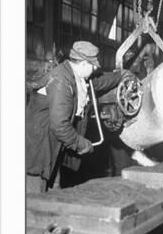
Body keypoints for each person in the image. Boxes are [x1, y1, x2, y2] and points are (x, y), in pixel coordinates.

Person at [26, 41, 125, 192]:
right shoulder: (62, 81)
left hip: (53, 145)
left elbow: (100, 81)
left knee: (53, 192)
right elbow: (59, 126)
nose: (94, 70)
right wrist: (81, 144)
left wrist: (121, 76)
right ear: (84, 63)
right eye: (93, 66)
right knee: (36, 198)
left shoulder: (75, 75)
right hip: (39, 149)